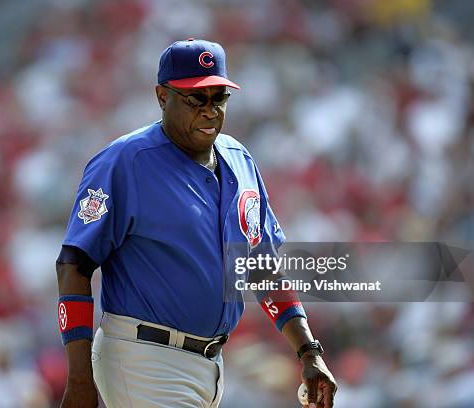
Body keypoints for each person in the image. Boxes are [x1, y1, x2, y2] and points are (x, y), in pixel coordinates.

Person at [55, 38, 337, 408]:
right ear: (162, 96)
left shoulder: (239, 159)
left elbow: (262, 270)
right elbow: (74, 264)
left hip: (210, 365)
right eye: (195, 98)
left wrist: (308, 351)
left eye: (218, 97)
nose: (209, 110)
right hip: (143, 357)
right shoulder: (126, 161)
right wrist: (79, 379)